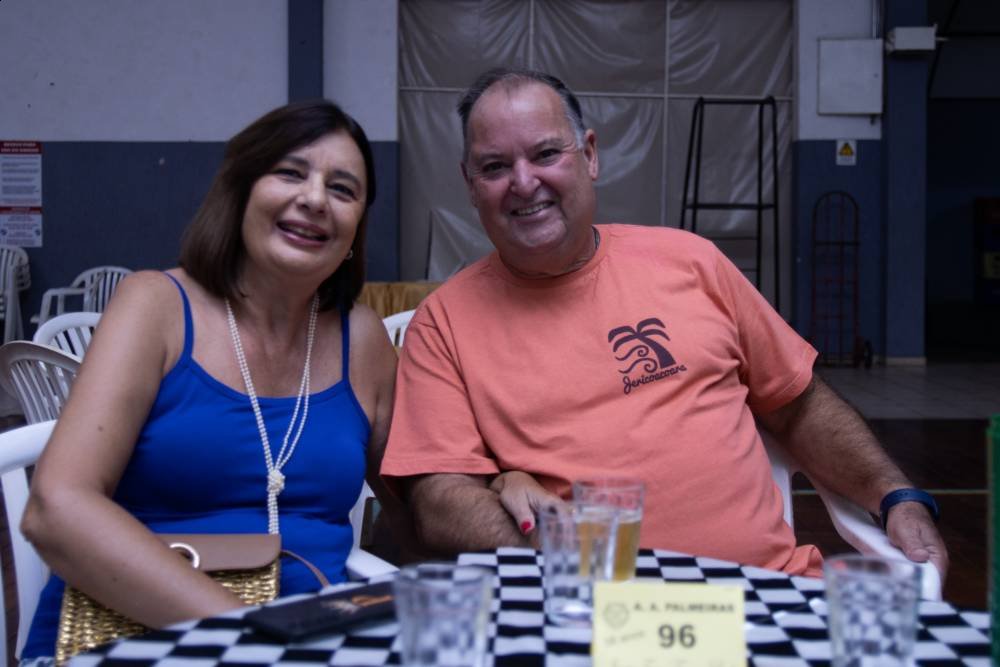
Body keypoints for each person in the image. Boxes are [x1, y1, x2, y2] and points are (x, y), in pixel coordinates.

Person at [381, 68, 948, 581]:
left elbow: (797, 404)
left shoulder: (691, 262)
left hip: (761, 593)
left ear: (590, 155)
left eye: (546, 153)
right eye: (495, 167)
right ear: (470, 184)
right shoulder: (443, 325)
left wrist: (894, 494)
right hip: (587, 611)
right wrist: (567, 551)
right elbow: (440, 499)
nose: (524, 182)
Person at [20, 100, 398, 661]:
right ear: (239, 192)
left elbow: (416, 505)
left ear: (356, 229)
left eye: (343, 189)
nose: (316, 199)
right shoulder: (155, 306)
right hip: (131, 639)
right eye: (290, 173)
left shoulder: (362, 339)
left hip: (311, 643)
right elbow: (56, 508)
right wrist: (256, 637)